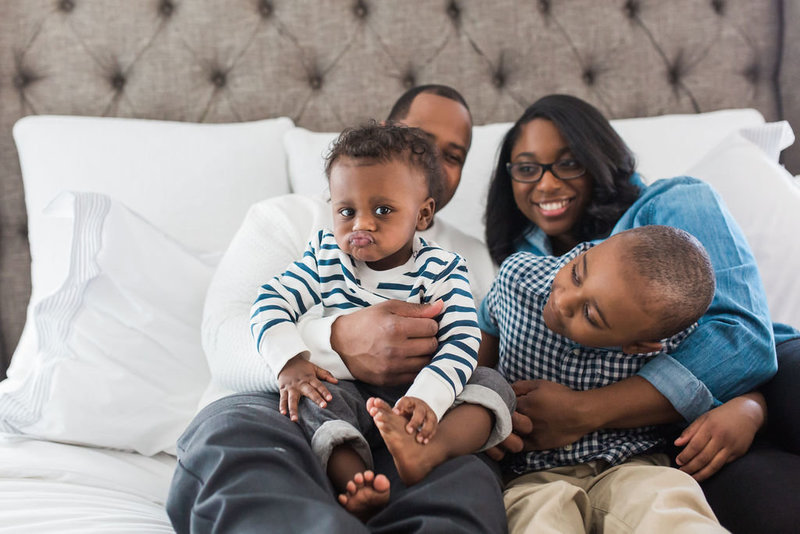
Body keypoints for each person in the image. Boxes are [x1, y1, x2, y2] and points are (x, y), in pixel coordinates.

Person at [166, 85, 509, 534]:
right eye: (420, 139)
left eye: (453, 155)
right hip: (284, 406)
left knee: (466, 486)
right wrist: (340, 342)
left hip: (414, 425)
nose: (433, 161)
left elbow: (480, 355)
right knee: (241, 458)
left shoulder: (470, 260)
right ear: (384, 134)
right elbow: (224, 336)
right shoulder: (296, 222)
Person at [482, 93, 800, 533]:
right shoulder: (522, 267)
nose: (547, 184)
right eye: (528, 168)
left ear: (599, 157)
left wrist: (752, 403)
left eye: (568, 163)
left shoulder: (669, 205)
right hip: (671, 435)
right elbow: (488, 345)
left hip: (769, 371)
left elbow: (744, 342)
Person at [250, 122, 513, 519]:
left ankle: (428, 449)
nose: (361, 225)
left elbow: (462, 342)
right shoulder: (326, 258)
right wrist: (291, 362)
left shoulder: (443, 269)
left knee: (493, 386)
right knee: (315, 399)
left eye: (383, 210)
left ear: (422, 214)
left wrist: (426, 398)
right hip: (351, 389)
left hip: (424, 402)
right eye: (346, 211)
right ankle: (357, 480)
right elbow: (270, 301)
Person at [479, 225, 727, 532]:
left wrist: (749, 410)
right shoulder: (517, 279)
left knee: (671, 509)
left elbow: (725, 377)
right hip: (534, 475)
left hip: (632, 465)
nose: (564, 300)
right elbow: (477, 358)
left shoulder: (673, 333)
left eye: (591, 315)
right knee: (537, 518)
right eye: (577, 274)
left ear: (637, 346)